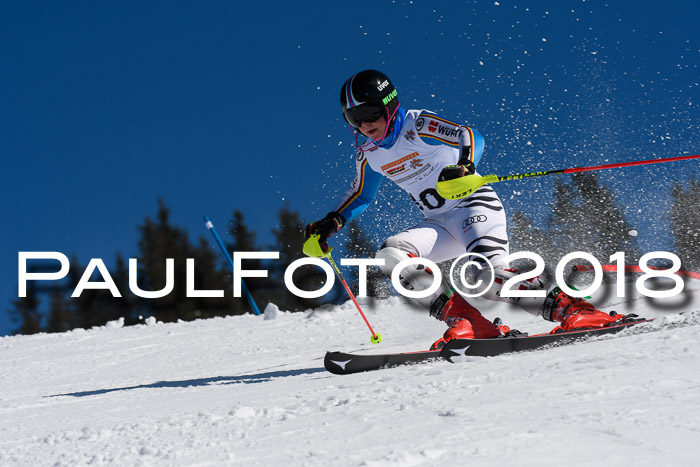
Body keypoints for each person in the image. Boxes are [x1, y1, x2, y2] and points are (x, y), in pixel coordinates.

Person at [304, 69, 624, 349]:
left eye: (370, 112)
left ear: (389, 105)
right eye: (354, 118)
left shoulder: (417, 124)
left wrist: (465, 166)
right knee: (391, 255)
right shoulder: (369, 153)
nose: (364, 124)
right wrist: (331, 222)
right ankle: (471, 322)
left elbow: (469, 135)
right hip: (439, 224)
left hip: (474, 208)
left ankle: (574, 311)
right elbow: (360, 195)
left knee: (487, 278)